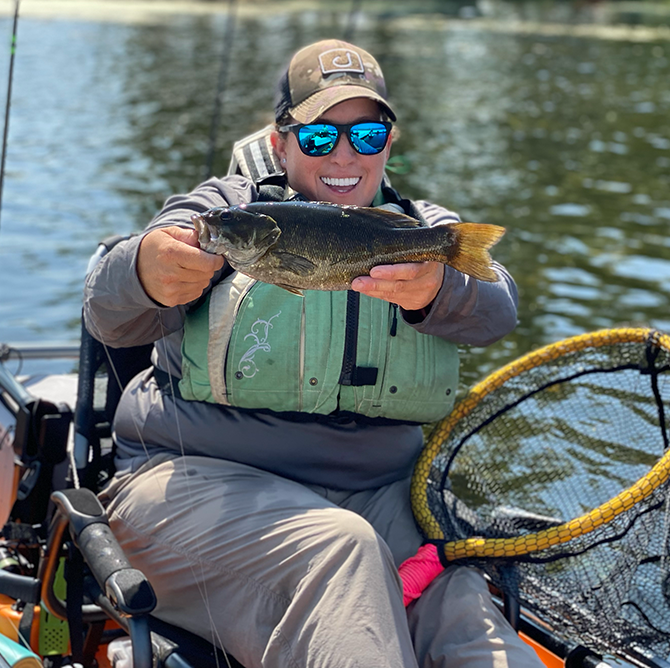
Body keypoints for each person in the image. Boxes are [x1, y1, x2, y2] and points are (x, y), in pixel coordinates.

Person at [84, 39, 537, 668]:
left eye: (368, 136)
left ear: (389, 142)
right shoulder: (225, 212)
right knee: (341, 550)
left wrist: (441, 286)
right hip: (191, 488)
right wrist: (146, 268)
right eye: (321, 138)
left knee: (464, 616)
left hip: (376, 494)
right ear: (281, 142)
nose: (346, 155)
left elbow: (498, 306)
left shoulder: (417, 229)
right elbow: (106, 306)